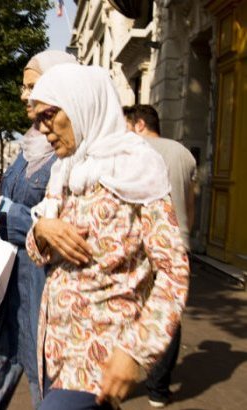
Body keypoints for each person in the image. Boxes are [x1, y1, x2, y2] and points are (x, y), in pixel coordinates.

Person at [25, 64, 189, 409]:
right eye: (38, 120)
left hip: (99, 359)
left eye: (49, 116)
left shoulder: (136, 165)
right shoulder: (66, 170)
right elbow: (37, 253)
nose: (42, 129)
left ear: (81, 103)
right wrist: (41, 230)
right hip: (54, 351)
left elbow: (174, 272)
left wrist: (136, 350)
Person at [0, 49, 76, 409]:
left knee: (50, 397)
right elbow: (3, 212)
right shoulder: (27, 148)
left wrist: (11, 214)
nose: (24, 95)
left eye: (33, 86)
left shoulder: (70, 151)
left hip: (43, 305)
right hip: (0, 301)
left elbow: (69, 230)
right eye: (23, 87)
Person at [123, 104, 197, 408]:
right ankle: (158, 389)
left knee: (127, 306)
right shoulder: (183, 154)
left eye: (127, 125)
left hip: (140, 243)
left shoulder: (130, 150)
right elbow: (190, 205)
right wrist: (183, 238)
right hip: (176, 242)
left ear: (140, 125)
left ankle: (121, 373)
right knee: (169, 315)